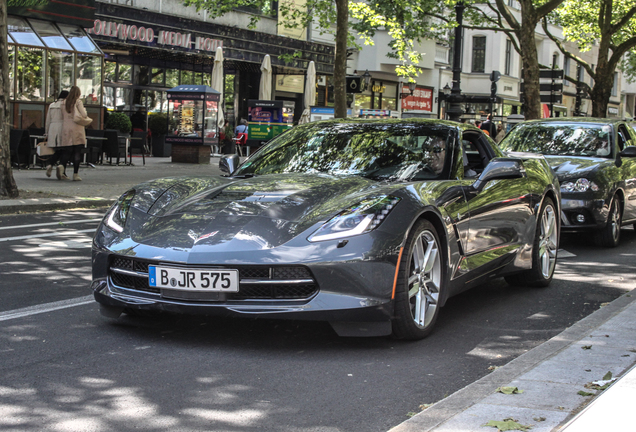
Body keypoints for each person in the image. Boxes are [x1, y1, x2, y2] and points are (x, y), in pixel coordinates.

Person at [61, 86, 89, 181]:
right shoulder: (78, 102)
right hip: (77, 128)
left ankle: (62, 167)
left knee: (67, 150)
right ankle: (75, 174)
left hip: (66, 128)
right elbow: (84, 114)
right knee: (77, 151)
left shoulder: (64, 102)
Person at [44, 90, 69, 179]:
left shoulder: (52, 105)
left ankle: (50, 165)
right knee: (65, 150)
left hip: (52, 128)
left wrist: (46, 132)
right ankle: (61, 168)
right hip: (62, 128)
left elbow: (48, 120)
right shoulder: (66, 106)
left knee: (57, 150)